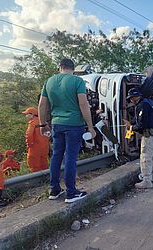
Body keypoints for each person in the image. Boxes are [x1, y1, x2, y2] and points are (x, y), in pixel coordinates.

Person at [38, 58, 96, 203]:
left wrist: (42, 124)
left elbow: (42, 105)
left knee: (56, 156)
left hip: (56, 123)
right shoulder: (77, 81)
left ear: (60, 67)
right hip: (74, 124)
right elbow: (83, 104)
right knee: (70, 156)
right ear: (73, 68)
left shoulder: (49, 81)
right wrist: (90, 126)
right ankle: (71, 192)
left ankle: (54, 189)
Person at [125, 88, 153, 189]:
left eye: (131, 98)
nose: (131, 101)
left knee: (145, 158)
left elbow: (142, 125)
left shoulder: (142, 105)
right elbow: (142, 118)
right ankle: (151, 176)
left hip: (149, 135)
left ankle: (146, 180)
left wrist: (131, 127)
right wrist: (132, 122)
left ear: (135, 97)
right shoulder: (148, 101)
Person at [22, 107, 49, 172]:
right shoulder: (43, 122)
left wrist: (29, 145)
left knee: (34, 164)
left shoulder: (32, 123)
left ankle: (37, 180)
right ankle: (46, 178)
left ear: (32, 114)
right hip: (44, 147)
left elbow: (29, 135)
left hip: (34, 147)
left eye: (27, 114)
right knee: (44, 163)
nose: (26, 116)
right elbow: (48, 133)